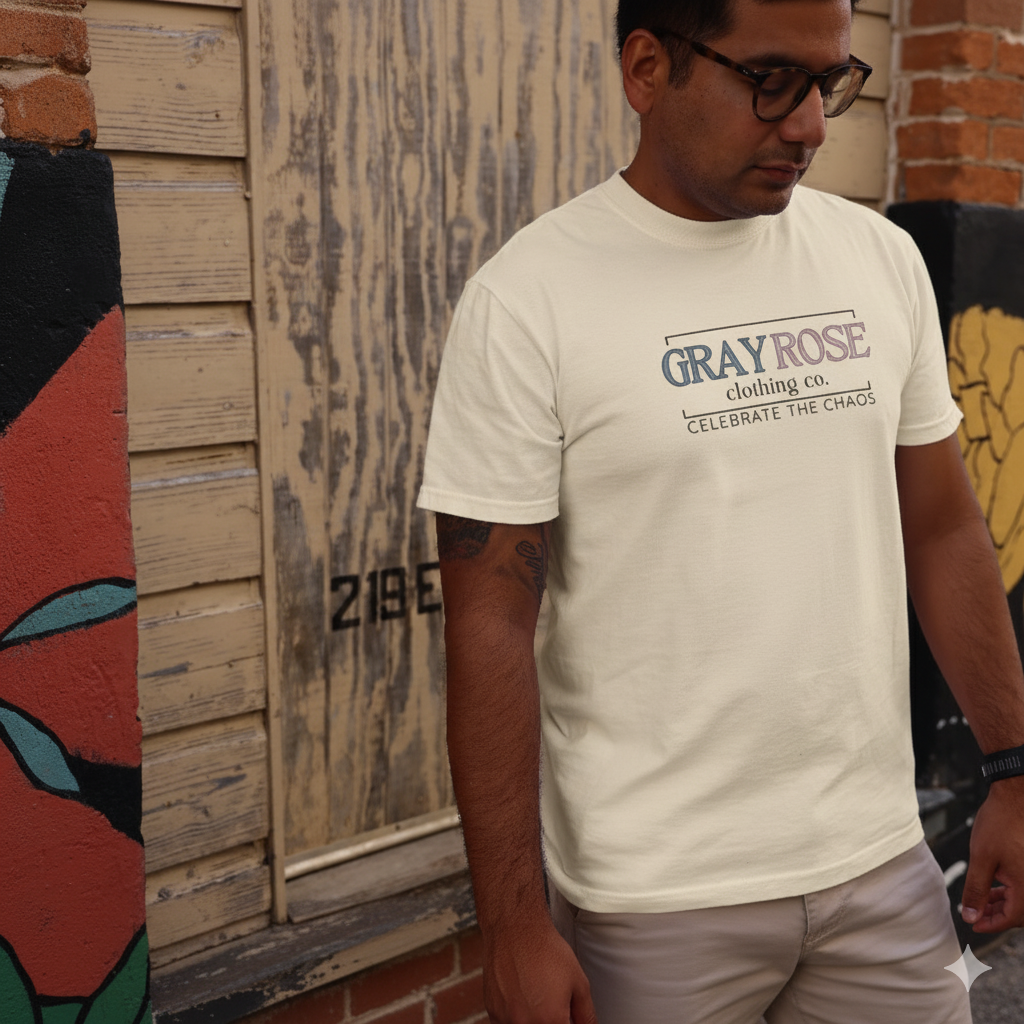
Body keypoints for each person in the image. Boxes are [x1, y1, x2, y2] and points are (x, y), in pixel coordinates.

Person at [416, 0, 1024, 1020]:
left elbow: (942, 528)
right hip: (654, 899)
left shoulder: (876, 261)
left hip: (878, 862)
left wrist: (1010, 766)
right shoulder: (528, 301)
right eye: (771, 81)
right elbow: (490, 621)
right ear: (647, 69)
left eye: (830, 82)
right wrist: (513, 922)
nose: (811, 127)